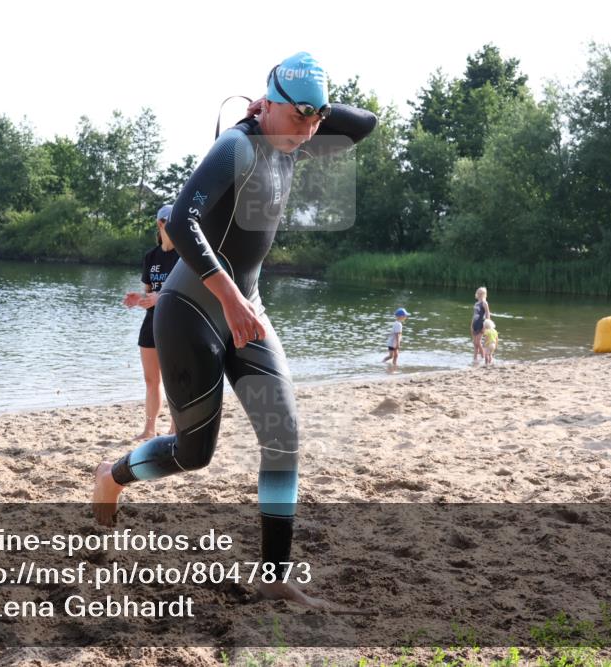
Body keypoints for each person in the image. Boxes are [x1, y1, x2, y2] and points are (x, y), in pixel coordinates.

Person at [91, 52, 377, 610]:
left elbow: (363, 123)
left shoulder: (296, 134)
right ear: (265, 104)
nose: (310, 130)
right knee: (195, 454)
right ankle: (113, 474)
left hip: (248, 310)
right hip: (191, 309)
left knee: (284, 435)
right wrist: (230, 297)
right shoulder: (238, 147)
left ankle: (274, 575)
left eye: (316, 120)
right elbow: (181, 221)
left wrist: (308, 106)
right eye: (298, 118)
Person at [123, 205, 179, 440]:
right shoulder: (151, 257)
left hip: (176, 325)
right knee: (150, 379)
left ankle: (176, 428)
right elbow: (150, 293)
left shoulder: (186, 257)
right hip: (151, 324)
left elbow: (190, 295)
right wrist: (139, 299)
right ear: (160, 224)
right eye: (169, 221)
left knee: (174, 380)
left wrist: (161, 296)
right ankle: (149, 429)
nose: (174, 226)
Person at [471, 286, 491, 365]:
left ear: (484, 294)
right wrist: (471, 325)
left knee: (478, 342)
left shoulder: (484, 303)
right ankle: (475, 359)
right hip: (475, 324)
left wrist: (485, 326)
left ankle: (483, 357)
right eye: (479, 293)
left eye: (481, 293)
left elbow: (488, 314)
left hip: (481, 324)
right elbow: (474, 315)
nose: (479, 294)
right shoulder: (476, 303)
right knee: (474, 343)